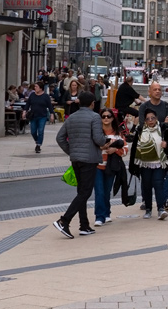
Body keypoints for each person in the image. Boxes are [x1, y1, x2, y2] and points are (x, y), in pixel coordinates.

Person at [53, 91, 106, 238]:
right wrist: (106, 140)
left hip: (75, 159)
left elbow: (60, 138)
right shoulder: (95, 117)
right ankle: (64, 220)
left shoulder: (72, 117)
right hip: (89, 159)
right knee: (85, 192)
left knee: (81, 192)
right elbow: (98, 139)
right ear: (92, 104)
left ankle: (84, 225)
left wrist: (71, 151)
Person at [127, 81, 168, 212]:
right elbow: (144, 125)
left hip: (161, 146)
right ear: (149, 92)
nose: (158, 91)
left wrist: (159, 125)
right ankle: (146, 200)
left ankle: (165, 200)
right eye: (155, 89)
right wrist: (161, 123)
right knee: (146, 176)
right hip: (146, 146)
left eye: (159, 89)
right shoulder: (144, 106)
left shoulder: (167, 106)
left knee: (164, 173)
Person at [132, 105, 168, 219]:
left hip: (159, 162)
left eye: (152, 118)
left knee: (159, 184)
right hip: (144, 163)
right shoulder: (140, 131)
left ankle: (161, 209)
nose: (150, 121)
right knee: (147, 185)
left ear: (156, 118)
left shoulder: (163, 129)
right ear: (144, 120)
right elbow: (134, 147)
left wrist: (167, 144)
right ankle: (148, 209)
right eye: (148, 119)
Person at [94, 108, 127, 226]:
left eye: (108, 116)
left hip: (111, 167)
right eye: (103, 116)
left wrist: (115, 150)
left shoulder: (118, 134)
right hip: (97, 166)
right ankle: (99, 216)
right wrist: (100, 148)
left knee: (106, 191)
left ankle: (107, 213)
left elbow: (125, 149)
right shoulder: (96, 133)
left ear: (113, 118)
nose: (106, 118)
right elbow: (90, 148)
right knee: (99, 192)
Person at [25, 82, 54, 153]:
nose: (35, 88)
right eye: (35, 87)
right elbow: (28, 104)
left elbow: (50, 106)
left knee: (40, 131)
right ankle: (37, 140)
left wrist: (52, 114)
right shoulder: (32, 95)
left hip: (42, 116)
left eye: (36, 87)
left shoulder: (45, 96)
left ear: (41, 88)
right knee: (33, 131)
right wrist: (24, 111)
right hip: (33, 116)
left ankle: (38, 145)